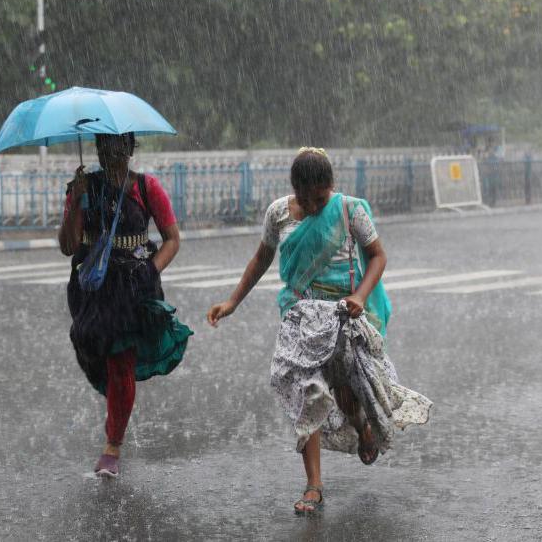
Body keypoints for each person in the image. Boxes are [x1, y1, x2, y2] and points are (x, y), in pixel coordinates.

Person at [206, 147, 431, 514]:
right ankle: (313, 485)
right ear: (294, 188)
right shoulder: (278, 213)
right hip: (298, 315)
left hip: (343, 314)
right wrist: (233, 302)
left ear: (331, 187)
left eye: (320, 198)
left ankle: (362, 427)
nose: (313, 205)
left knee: (345, 392)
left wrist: (359, 295)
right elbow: (261, 258)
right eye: (305, 197)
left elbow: (378, 255)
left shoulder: (349, 209)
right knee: (305, 391)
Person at [58, 132, 193, 478]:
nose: (111, 155)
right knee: (92, 352)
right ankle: (116, 408)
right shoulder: (81, 188)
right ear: (97, 150)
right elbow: (68, 245)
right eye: (104, 148)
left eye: (119, 148)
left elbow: (172, 239)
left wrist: (151, 270)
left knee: (121, 364)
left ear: (131, 150)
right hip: (90, 292)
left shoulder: (146, 188)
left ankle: (112, 446)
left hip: (133, 289)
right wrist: (77, 200)